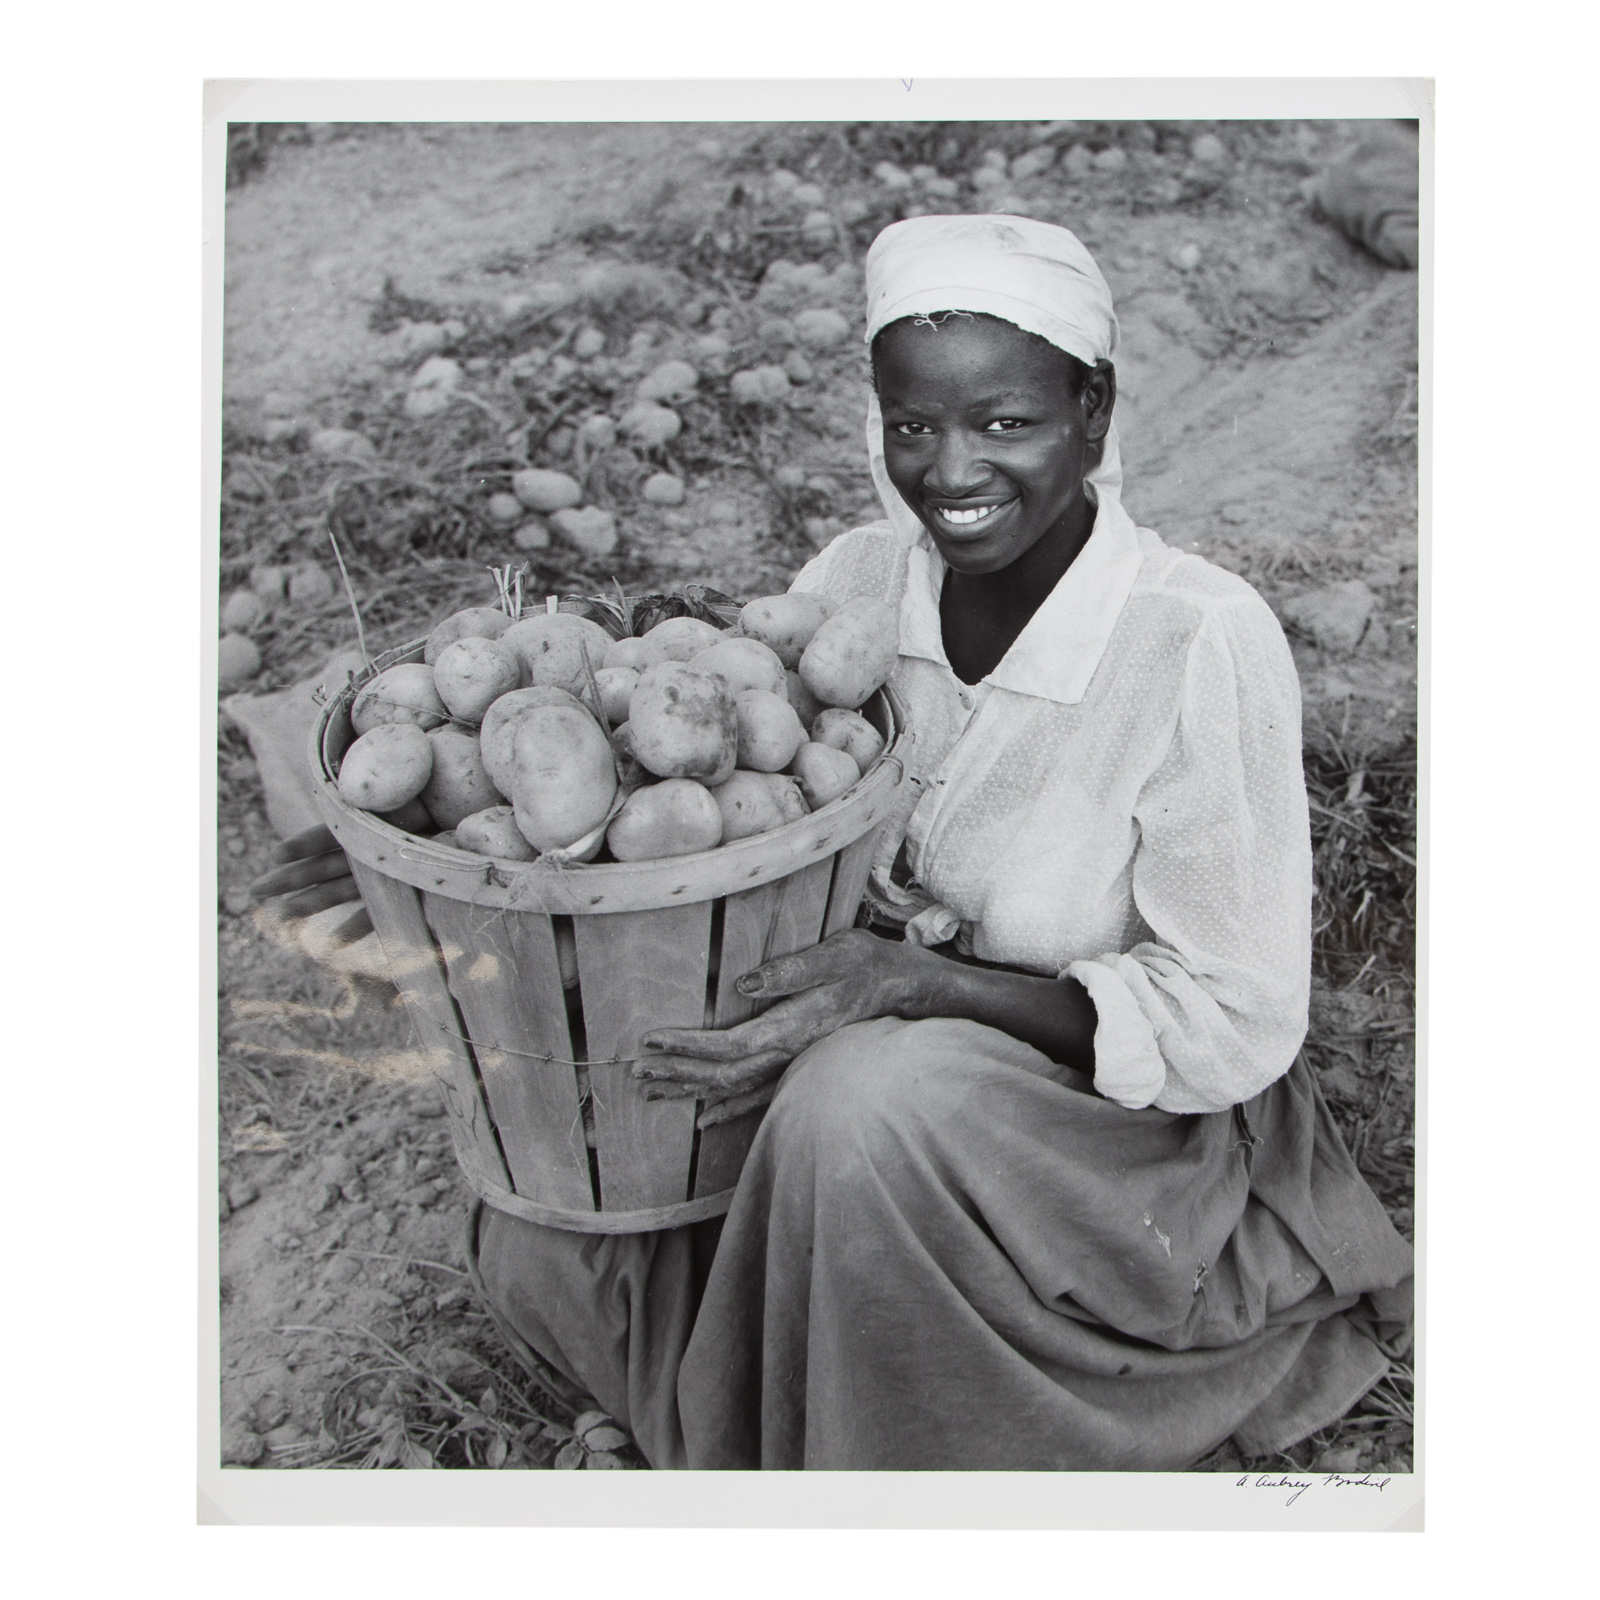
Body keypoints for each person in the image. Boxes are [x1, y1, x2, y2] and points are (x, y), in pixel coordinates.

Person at [256, 215, 1412, 1471]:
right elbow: (735, 854)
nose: (952, 470)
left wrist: (915, 984)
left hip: (1107, 1139)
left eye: (1006, 422)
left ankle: (867, 1456)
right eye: (914, 426)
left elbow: (1232, 1019)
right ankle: (808, 1408)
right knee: (544, 1238)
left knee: (861, 1100)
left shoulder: (1193, 639)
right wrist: (466, 890)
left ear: (1094, 409)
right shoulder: (852, 588)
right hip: (842, 1067)